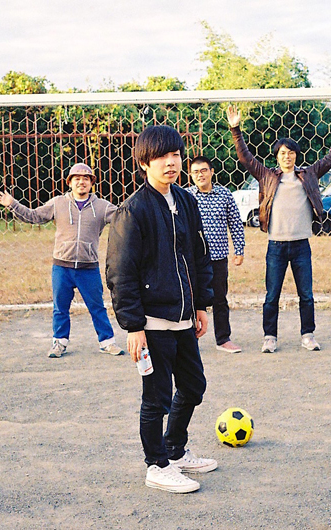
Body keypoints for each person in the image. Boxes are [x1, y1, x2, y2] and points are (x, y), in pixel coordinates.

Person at [105, 125, 216, 494]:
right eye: (162, 156)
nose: (171, 162)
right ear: (144, 162)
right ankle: (156, 465)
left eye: (176, 155)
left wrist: (201, 305)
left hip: (184, 319)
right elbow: (120, 272)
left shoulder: (185, 202)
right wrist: (133, 326)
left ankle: (175, 450)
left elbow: (197, 256)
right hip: (152, 324)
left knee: (194, 386)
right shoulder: (132, 211)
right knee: (156, 398)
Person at [226, 104, 331, 353]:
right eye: (283, 153)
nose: (287, 157)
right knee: (272, 295)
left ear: (296, 156)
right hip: (276, 246)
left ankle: (308, 335)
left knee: (306, 295)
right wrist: (235, 129)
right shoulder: (267, 176)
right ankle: (270, 337)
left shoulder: (309, 174)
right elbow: (245, 158)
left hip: (301, 245)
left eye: (291, 153)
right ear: (277, 156)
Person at [0, 163, 125, 359]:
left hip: (88, 268)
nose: (81, 182)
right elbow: (34, 216)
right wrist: (12, 204)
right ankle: (59, 342)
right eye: (77, 178)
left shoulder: (101, 206)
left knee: (97, 307)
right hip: (62, 267)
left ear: (91, 183)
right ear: (70, 182)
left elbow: (124, 218)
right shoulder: (58, 203)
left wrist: (141, 205)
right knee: (60, 308)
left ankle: (107, 342)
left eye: (86, 179)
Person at [187, 155, 245, 354]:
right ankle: (189, 340)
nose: (200, 175)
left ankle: (223, 338)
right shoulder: (186, 196)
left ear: (212, 172)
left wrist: (239, 250)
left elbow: (235, 224)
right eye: (195, 172)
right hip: (194, 259)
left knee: (220, 299)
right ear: (191, 175)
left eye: (203, 170)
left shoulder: (224, 195)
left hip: (218, 258)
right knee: (191, 300)